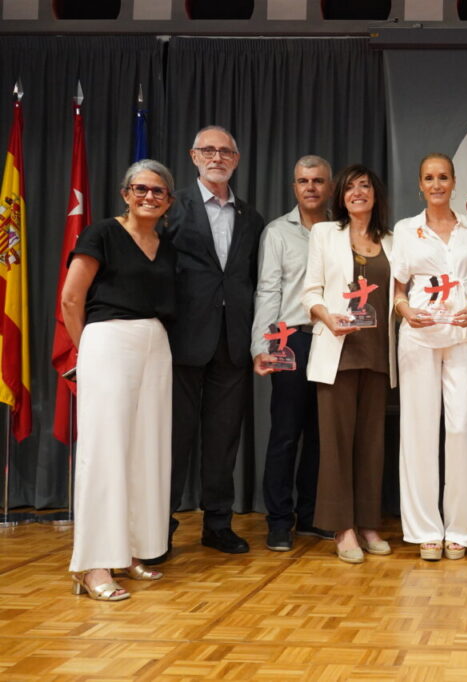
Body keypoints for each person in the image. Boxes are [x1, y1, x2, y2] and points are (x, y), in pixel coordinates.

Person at [61, 160, 177, 600]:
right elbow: (72, 299)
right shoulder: (101, 233)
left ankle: (127, 551)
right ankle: (91, 566)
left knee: (143, 451)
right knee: (105, 452)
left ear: (168, 201)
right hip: (108, 342)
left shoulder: (164, 245)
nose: (150, 197)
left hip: (154, 344)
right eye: (141, 189)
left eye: (159, 192)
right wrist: (87, 353)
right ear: (125, 193)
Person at [159, 125, 265, 561]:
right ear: (193, 155)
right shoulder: (170, 207)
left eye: (225, 151)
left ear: (236, 160)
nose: (217, 157)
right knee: (175, 439)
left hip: (232, 343)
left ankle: (217, 524)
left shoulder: (251, 217)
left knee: (223, 440)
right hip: (182, 339)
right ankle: (157, 527)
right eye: (208, 150)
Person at [392, 153, 467, 561]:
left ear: (454, 182)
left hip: (464, 336)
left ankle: (461, 530)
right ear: (420, 184)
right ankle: (425, 530)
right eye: (429, 178)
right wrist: (405, 310)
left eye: (443, 177)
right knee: (418, 431)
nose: (436, 184)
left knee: (462, 429)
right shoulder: (405, 229)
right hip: (418, 338)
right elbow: (398, 290)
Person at [302, 164, 396, 564]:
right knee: (337, 445)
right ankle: (342, 528)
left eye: (365, 186)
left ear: (376, 195)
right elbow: (310, 289)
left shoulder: (393, 240)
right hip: (337, 351)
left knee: (372, 444)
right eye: (351, 187)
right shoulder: (325, 233)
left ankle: (368, 522)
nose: (358, 193)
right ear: (341, 196)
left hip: (378, 353)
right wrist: (326, 316)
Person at [251, 155, 334, 552]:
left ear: (329, 186)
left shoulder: (342, 229)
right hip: (291, 341)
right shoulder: (277, 233)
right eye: (303, 181)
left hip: (333, 339)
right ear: (294, 187)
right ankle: (279, 521)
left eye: (318, 180)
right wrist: (261, 347)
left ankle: (312, 515)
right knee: (285, 434)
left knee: (322, 434)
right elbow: (268, 291)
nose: (311, 187)